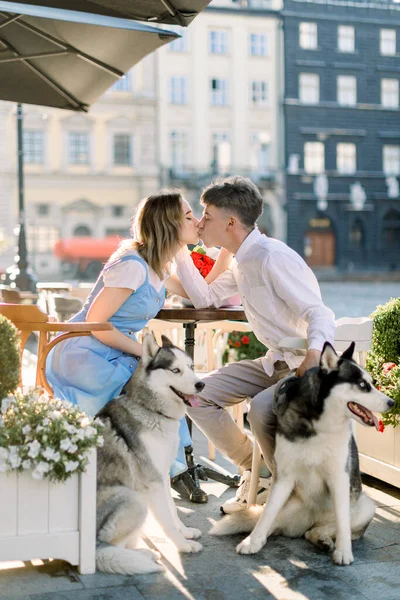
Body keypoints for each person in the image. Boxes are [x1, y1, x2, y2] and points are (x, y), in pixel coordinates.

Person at [168, 176, 336, 513]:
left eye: (207, 215)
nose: (200, 223)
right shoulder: (241, 261)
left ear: (230, 222)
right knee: (195, 394)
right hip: (272, 363)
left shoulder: (272, 257)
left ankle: (293, 492)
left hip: (302, 364)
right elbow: (204, 296)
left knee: (260, 408)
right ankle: (255, 471)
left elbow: (320, 312)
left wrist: (315, 355)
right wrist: (176, 252)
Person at [46, 190, 229, 477]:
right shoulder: (133, 265)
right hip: (83, 351)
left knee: (163, 384)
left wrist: (228, 247)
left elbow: (203, 291)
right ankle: (142, 468)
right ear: (169, 225)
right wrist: (146, 354)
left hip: (113, 350)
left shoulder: (160, 267)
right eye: (189, 216)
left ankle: (151, 468)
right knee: (158, 386)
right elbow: (96, 322)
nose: (196, 222)